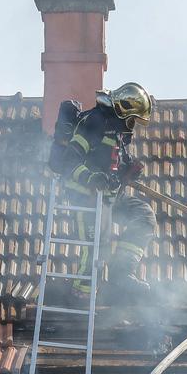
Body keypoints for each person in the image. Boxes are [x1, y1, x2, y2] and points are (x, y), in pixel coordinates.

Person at [53, 82, 157, 304]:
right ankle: (81, 297)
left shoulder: (116, 131)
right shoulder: (94, 123)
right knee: (96, 250)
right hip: (86, 197)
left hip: (108, 199)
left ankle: (122, 273)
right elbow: (68, 161)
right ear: (123, 110)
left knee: (143, 215)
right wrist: (92, 178)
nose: (133, 126)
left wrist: (128, 171)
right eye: (132, 119)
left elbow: (113, 167)